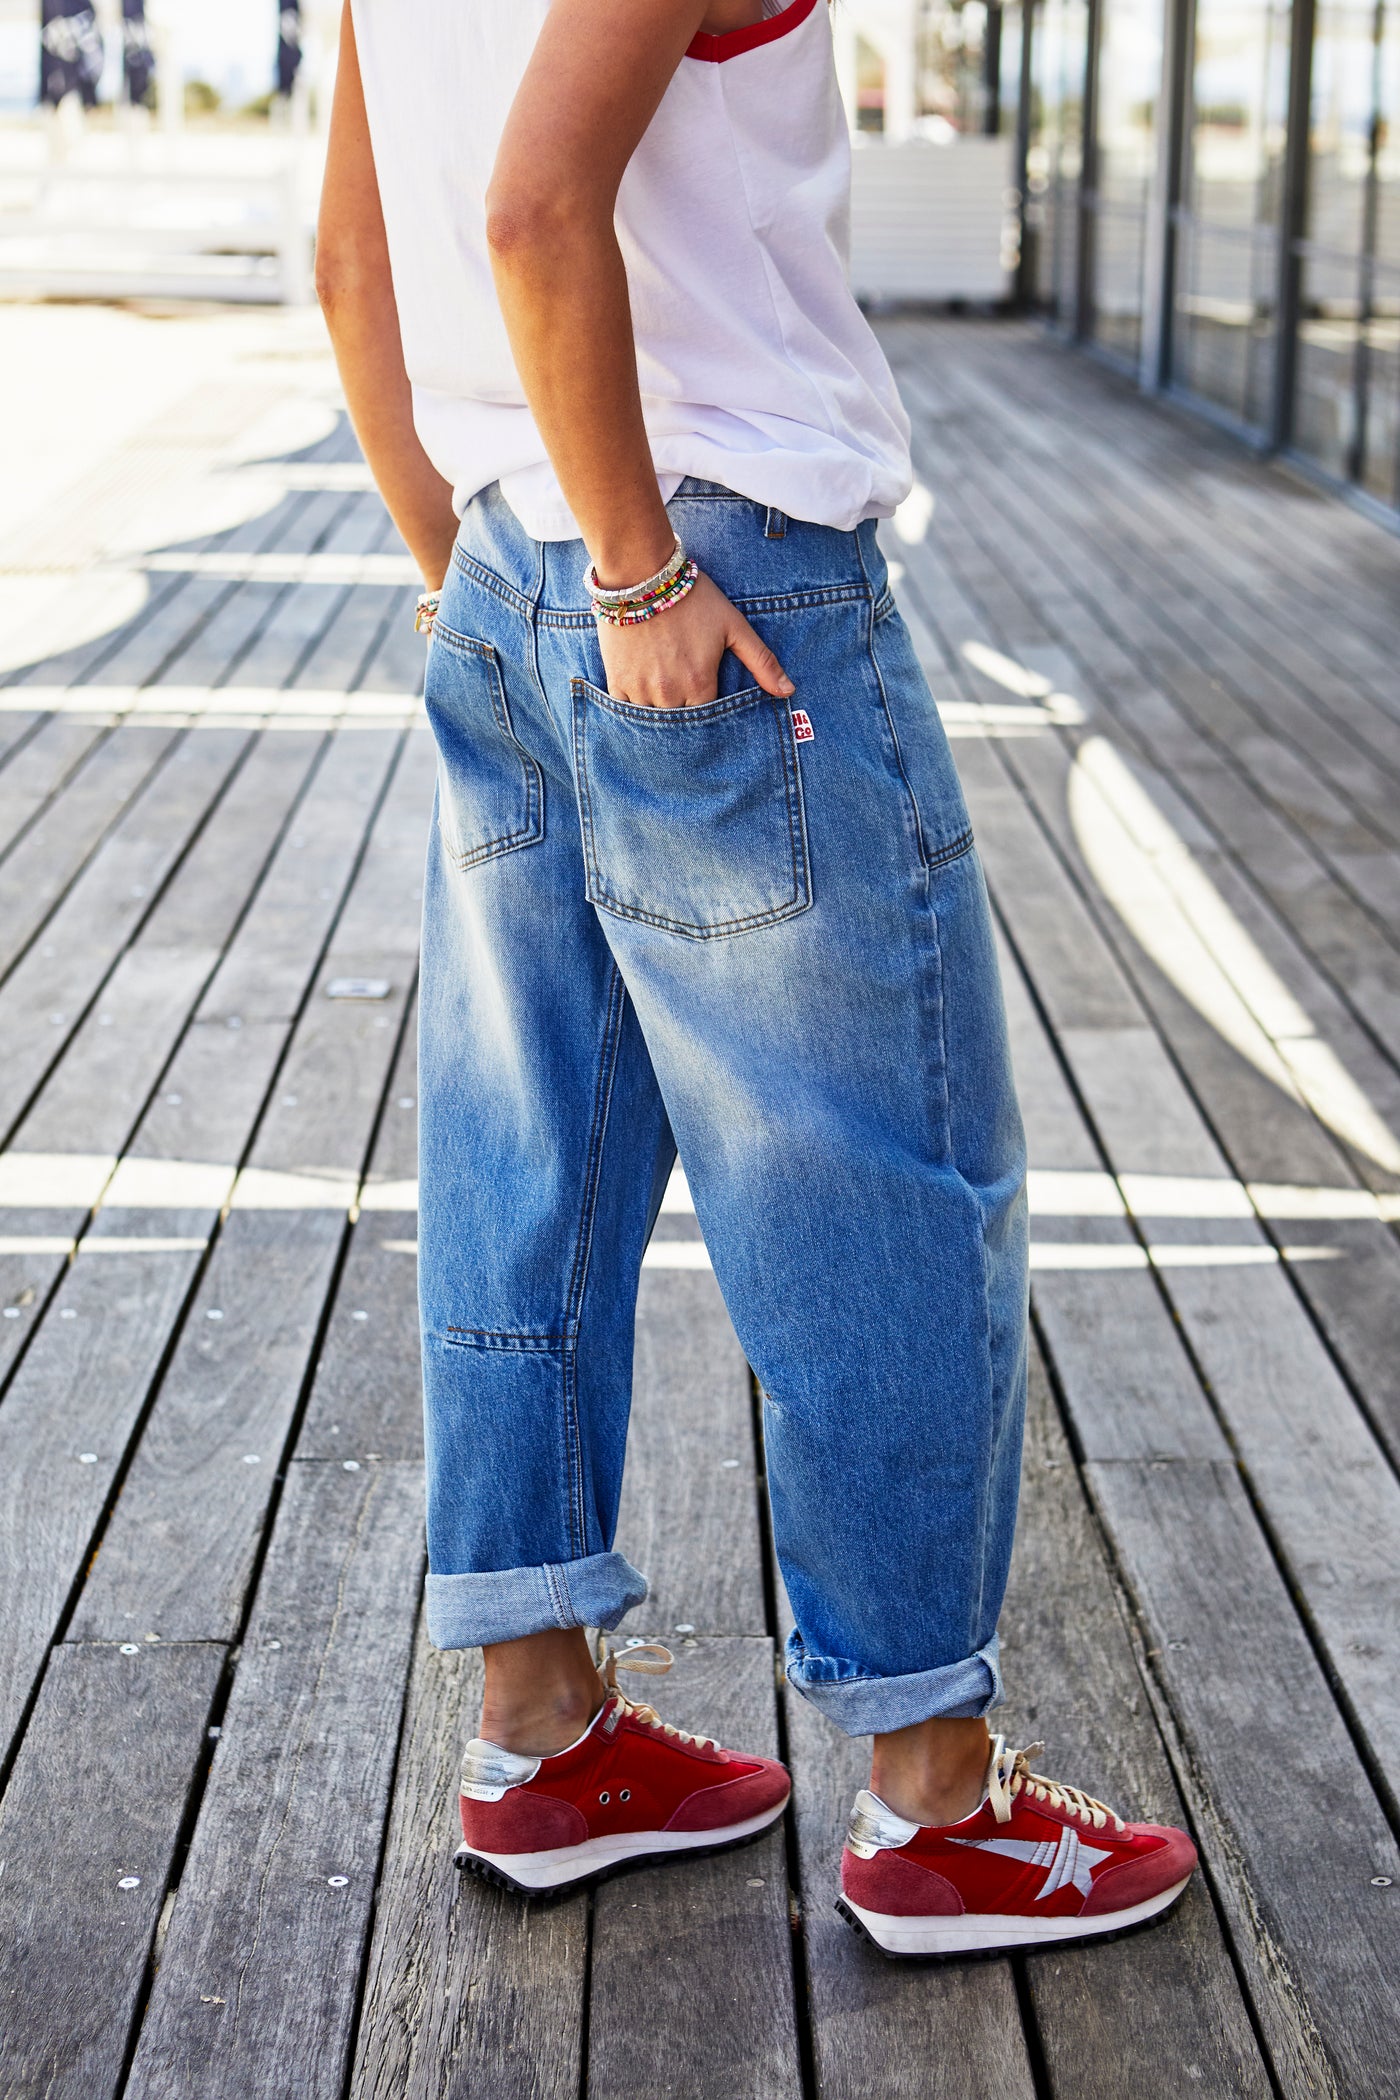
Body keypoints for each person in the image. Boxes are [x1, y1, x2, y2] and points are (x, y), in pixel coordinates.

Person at [315, 0, 1196, 1953]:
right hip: (712, 570)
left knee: (525, 1167)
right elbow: (539, 213)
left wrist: (487, 583)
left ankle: (539, 1731)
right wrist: (626, 575)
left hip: (509, 553)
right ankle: (934, 1800)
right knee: (880, 1184)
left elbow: (359, 256)